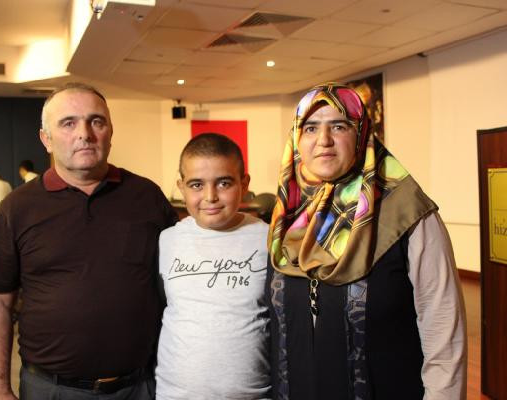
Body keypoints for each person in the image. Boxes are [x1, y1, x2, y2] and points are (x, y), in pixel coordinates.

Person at [0, 82, 178, 400]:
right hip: (50, 389)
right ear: (46, 139)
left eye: (96, 121)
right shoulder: (17, 208)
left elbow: (179, 286)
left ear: (110, 131)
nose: (84, 133)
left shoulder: (147, 197)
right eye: (68, 123)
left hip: (140, 386)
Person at [266, 83, 466, 399]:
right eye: (311, 128)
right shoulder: (286, 220)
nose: (323, 140)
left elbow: (443, 328)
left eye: (339, 126)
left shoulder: (409, 216)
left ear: (361, 134)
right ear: (296, 138)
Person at [156, 133, 270, 399]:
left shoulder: (268, 239)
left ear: (244, 183)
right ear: (181, 187)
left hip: (252, 395)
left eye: (224, 183)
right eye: (196, 184)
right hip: (176, 395)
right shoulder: (167, 240)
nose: (210, 196)